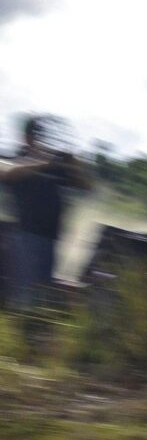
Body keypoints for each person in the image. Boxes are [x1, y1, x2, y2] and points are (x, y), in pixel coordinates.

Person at [0, 116, 92, 311]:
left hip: (50, 239)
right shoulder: (15, 158)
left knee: (43, 293)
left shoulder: (55, 164)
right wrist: (43, 161)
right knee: (27, 296)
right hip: (26, 237)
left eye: (43, 136)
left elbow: (85, 186)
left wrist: (74, 164)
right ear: (26, 137)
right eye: (36, 135)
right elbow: (8, 172)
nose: (40, 140)